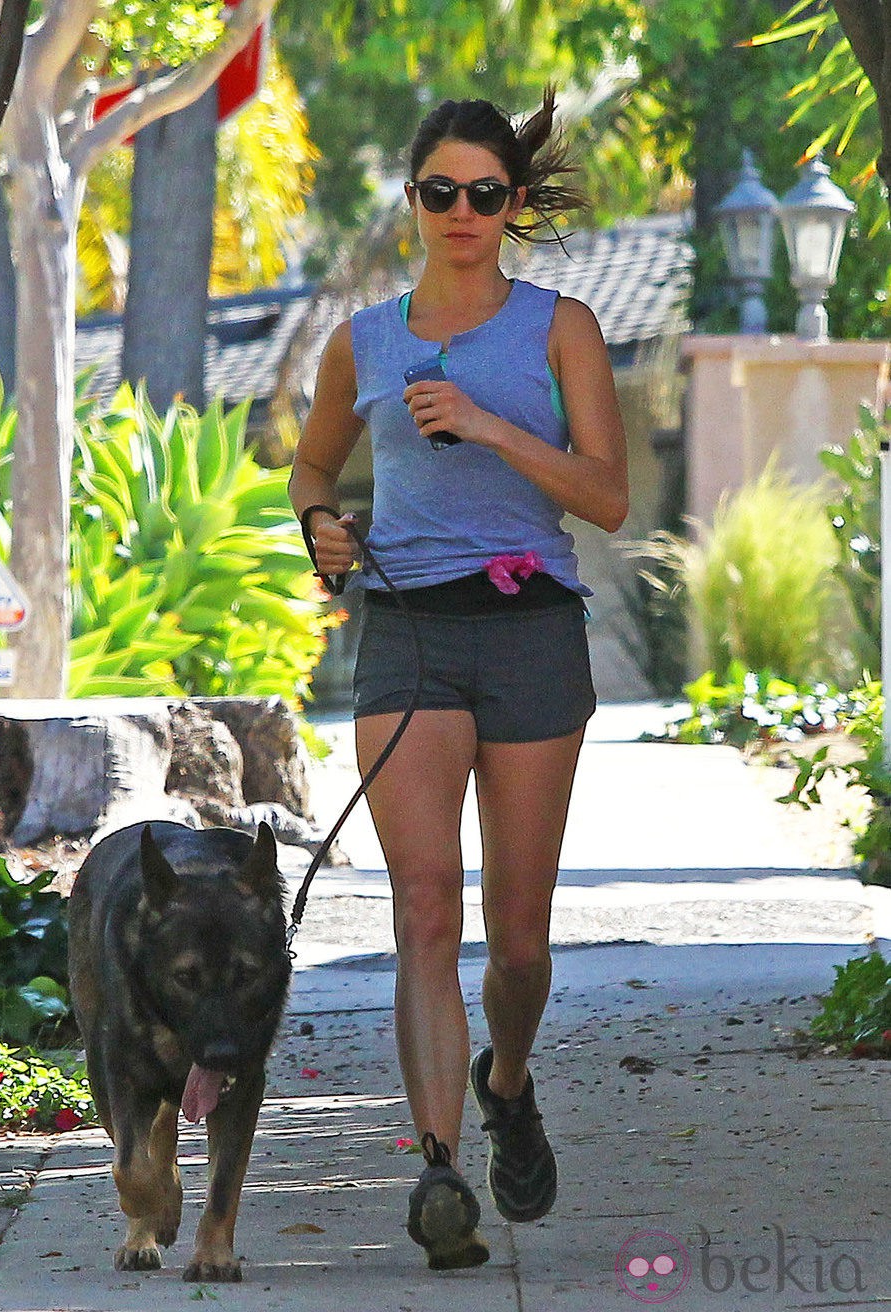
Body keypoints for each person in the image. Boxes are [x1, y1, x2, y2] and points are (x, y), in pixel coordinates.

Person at [288, 88, 628, 1271]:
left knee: (516, 942)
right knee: (423, 909)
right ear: (413, 200)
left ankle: (508, 1078)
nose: (463, 212)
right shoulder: (363, 340)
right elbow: (313, 464)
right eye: (441, 192)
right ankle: (437, 1173)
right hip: (406, 635)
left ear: (512, 203)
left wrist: (490, 428)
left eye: (486, 193)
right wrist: (324, 523)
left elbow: (605, 496)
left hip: (530, 626)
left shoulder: (559, 328)